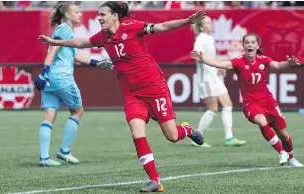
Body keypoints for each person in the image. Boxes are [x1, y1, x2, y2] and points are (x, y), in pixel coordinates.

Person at [39, 1, 205, 192]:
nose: (98, 18)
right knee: (136, 133)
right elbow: (80, 42)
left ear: (115, 16)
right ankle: (155, 180)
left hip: (154, 88)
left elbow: (162, 27)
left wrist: (188, 21)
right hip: (132, 94)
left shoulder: (133, 27)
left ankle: (187, 130)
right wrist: (55, 42)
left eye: (102, 15)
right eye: (98, 15)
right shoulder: (103, 36)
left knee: (172, 136)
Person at [191, 33, 303, 167]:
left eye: (252, 42)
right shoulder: (238, 61)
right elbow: (221, 64)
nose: (250, 45)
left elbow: (278, 66)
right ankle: (281, 152)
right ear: (243, 46)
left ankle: (291, 158)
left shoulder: (263, 60)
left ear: (257, 45)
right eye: (247, 42)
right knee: (261, 121)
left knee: (284, 135)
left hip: (269, 102)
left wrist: (289, 64)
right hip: (251, 104)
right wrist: (203, 59)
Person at [35, 2, 113, 167]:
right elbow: (53, 49)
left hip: (49, 79)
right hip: (62, 78)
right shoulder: (65, 29)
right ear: (68, 15)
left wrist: (96, 62)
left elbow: (75, 56)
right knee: (78, 111)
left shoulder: (63, 30)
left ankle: (44, 158)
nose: (80, 14)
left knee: (49, 116)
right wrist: (44, 69)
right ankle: (64, 151)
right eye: (76, 12)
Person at [191, 16, 246, 148]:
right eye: (208, 23)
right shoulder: (201, 39)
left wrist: (218, 67)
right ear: (202, 26)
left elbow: (210, 58)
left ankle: (229, 138)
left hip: (214, 77)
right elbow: (197, 55)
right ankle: (196, 139)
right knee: (213, 109)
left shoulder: (209, 38)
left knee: (227, 104)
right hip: (206, 79)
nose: (211, 25)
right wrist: (202, 60)